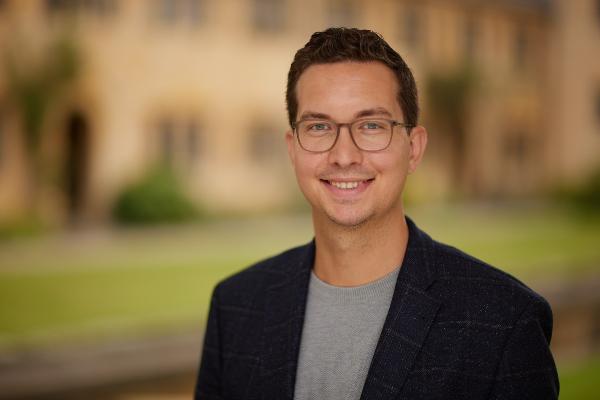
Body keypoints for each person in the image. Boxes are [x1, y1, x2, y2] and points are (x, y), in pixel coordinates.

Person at [195, 28, 558, 400]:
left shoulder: (503, 322)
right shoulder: (235, 307)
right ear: (293, 149)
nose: (344, 155)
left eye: (371, 126)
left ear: (413, 149)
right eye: (319, 127)